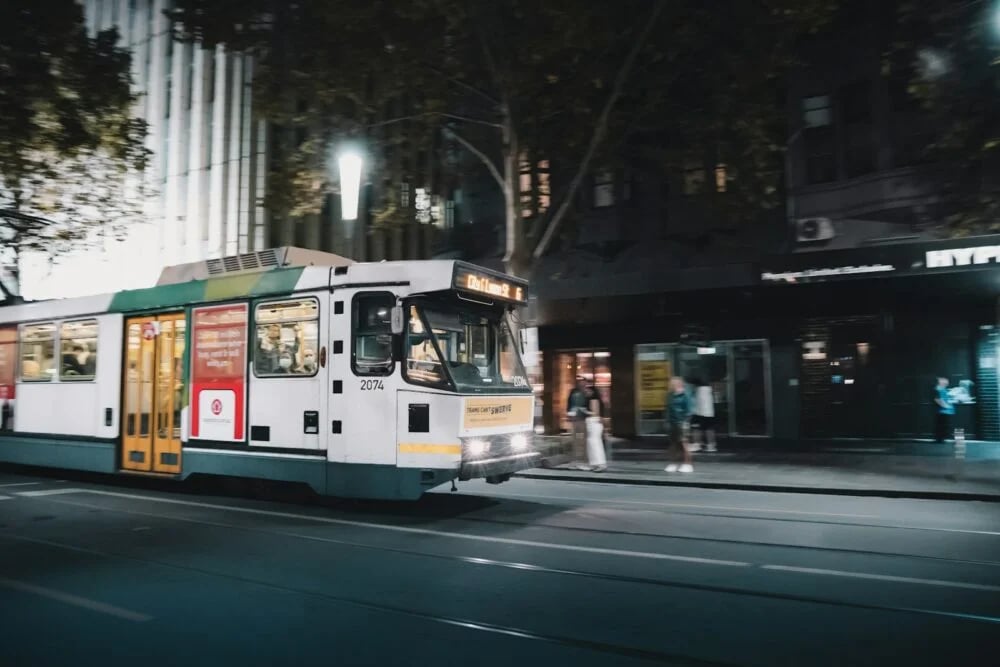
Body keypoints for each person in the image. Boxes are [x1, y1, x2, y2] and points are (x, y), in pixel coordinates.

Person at [664, 376, 693, 473]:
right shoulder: (670, 395)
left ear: (679, 384)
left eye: (673, 383)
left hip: (682, 422)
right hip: (672, 422)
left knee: (684, 443)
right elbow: (668, 409)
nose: (671, 385)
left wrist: (685, 422)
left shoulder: (685, 395)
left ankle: (688, 464)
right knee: (673, 444)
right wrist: (667, 421)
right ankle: (673, 463)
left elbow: (689, 411)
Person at [691, 378, 717, 453]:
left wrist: (695, 412)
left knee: (696, 428)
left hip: (700, 412)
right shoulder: (708, 389)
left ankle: (697, 444)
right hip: (709, 412)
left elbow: (698, 402)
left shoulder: (700, 390)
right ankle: (711, 445)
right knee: (709, 429)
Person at [566, 378, 589, 462]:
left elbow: (588, 405)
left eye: (584, 383)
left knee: (584, 440)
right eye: (581, 383)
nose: (583, 384)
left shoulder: (587, 392)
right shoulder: (573, 392)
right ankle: (576, 457)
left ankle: (584, 457)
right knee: (575, 439)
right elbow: (569, 403)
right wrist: (569, 414)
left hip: (583, 419)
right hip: (575, 419)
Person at [933, 376, 954, 443]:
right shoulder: (938, 389)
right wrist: (946, 406)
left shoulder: (942, 389)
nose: (947, 383)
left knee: (943, 426)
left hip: (945, 411)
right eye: (945, 382)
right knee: (942, 426)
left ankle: (941, 439)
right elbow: (937, 399)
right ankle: (940, 439)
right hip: (942, 411)